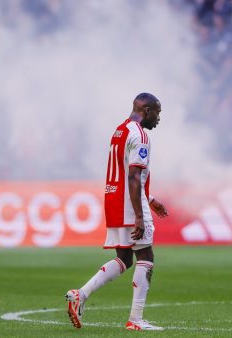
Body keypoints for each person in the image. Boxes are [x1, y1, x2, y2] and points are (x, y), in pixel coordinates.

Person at [65, 93, 168, 331]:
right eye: (158, 112)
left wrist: (149, 199)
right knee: (146, 257)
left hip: (115, 201)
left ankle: (80, 294)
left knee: (124, 258)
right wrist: (140, 214)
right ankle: (136, 319)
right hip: (130, 206)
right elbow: (133, 176)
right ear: (146, 110)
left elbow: (125, 174)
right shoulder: (140, 135)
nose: (159, 118)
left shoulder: (120, 131)